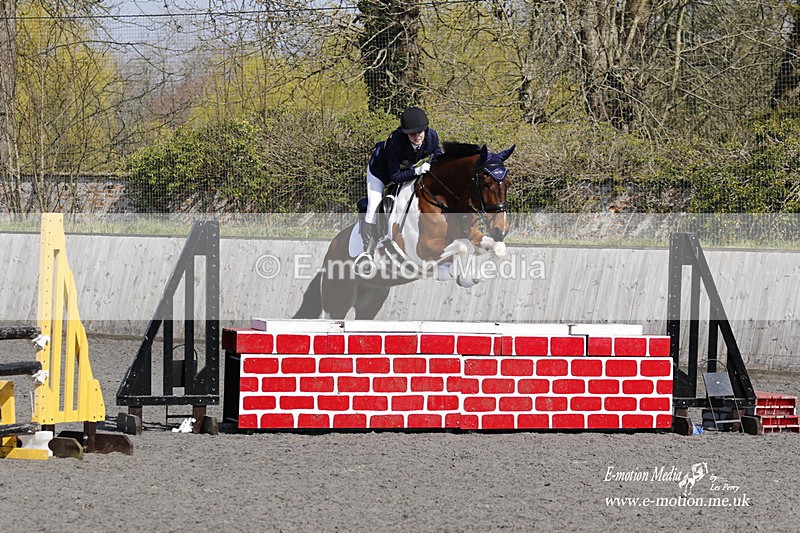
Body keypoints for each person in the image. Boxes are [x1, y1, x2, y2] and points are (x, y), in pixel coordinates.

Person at [356, 106, 443, 267]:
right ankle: (367, 252)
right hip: (380, 173)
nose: (417, 137)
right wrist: (417, 170)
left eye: (420, 132)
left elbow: (437, 156)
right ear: (405, 133)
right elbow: (395, 177)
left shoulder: (432, 137)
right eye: (412, 134)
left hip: (407, 169)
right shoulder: (395, 142)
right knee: (374, 207)